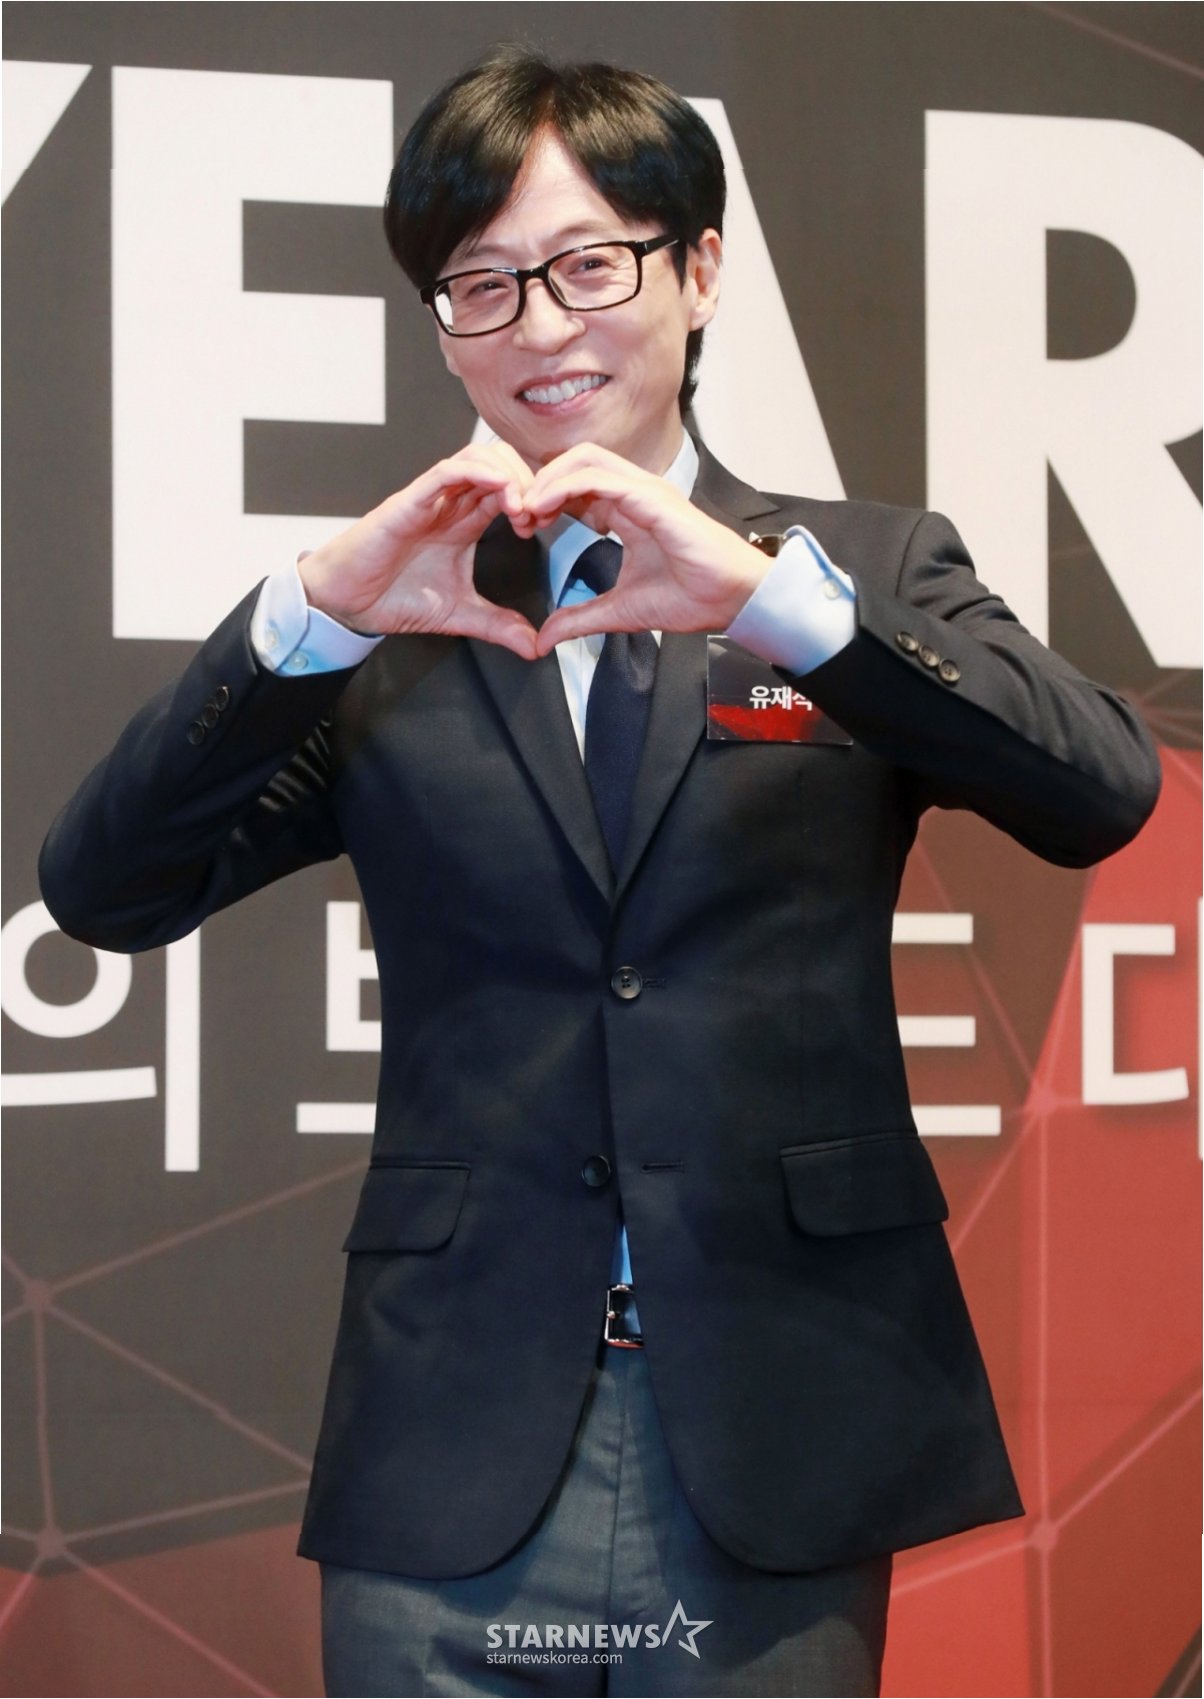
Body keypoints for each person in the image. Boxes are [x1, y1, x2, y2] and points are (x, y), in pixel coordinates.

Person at [40, 48, 1161, 1699]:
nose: (540, 327)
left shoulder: (858, 571)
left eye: (587, 265)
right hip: (455, 1435)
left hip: (775, 1420)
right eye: (481, 284)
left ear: (698, 270)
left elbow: (1101, 789)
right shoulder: (397, 605)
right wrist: (308, 616)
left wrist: (781, 606)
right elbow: (106, 889)